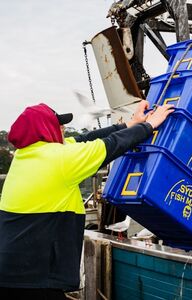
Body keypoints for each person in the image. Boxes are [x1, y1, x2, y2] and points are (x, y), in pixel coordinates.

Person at [0, 100, 174, 299]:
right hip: (33, 279)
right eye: (58, 123)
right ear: (44, 128)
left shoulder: (25, 155)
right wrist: (150, 125)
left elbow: (85, 138)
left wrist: (130, 123)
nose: (63, 127)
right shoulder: (60, 159)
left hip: (13, 271)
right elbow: (111, 145)